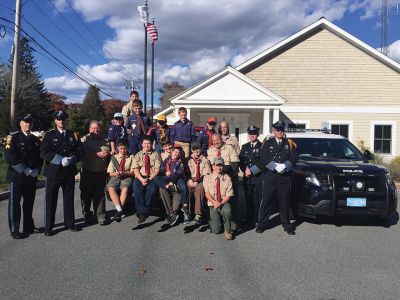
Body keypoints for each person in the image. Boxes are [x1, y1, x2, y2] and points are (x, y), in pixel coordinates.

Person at [247, 121, 297, 235]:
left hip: (284, 178)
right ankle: (262, 224)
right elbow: (263, 159)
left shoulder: (289, 143)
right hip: (270, 178)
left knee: (284, 203)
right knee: (266, 202)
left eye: (282, 130)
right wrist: (275, 166)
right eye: (278, 130)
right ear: (274, 131)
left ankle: (286, 224)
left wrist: (285, 165)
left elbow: (294, 157)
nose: (280, 132)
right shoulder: (267, 143)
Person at [40, 110, 85, 236]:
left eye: (63, 119)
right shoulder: (48, 135)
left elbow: (81, 152)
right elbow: (44, 152)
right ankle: (48, 227)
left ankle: (70, 223)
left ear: (66, 120)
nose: (61, 121)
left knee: (69, 199)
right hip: (53, 173)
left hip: (68, 172)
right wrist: (60, 160)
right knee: (50, 200)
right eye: (59, 119)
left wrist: (73, 159)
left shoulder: (74, 134)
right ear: (55, 121)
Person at [4, 113, 43, 239]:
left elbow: (39, 157)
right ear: (20, 123)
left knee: (29, 203)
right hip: (17, 176)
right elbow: (10, 156)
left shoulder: (35, 139)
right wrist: (24, 169)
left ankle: (28, 227)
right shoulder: (13, 137)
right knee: (15, 204)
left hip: (31, 176)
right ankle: (15, 230)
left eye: (30, 122)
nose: (28, 124)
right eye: (25, 122)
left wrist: (37, 169)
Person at [80, 121, 110, 226]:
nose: (95, 130)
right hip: (88, 172)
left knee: (100, 196)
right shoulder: (84, 140)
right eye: (93, 128)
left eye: (97, 128)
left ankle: (101, 216)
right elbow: (81, 155)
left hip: (101, 172)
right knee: (86, 195)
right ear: (89, 129)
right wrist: (97, 154)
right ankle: (87, 215)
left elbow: (110, 155)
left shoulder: (106, 140)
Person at [207, 133, 240, 229]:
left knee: (232, 201)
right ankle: (216, 220)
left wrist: (224, 174)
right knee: (215, 198)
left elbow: (235, 163)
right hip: (215, 178)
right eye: (214, 141)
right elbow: (209, 165)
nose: (216, 142)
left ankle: (233, 221)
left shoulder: (229, 148)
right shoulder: (210, 151)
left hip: (228, 177)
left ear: (221, 139)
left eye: (217, 140)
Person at [155, 144, 188, 225]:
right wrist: (165, 173)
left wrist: (172, 182)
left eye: (179, 152)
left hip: (177, 178)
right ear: (172, 152)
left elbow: (179, 173)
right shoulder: (167, 160)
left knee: (183, 187)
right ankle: (171, 213)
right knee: (157, 179)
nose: (177, 153)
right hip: (168, 177)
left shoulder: (180, 162)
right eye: (175, 151)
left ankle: (185, 206)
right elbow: (162, 170)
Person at [132, 135, 162, 224]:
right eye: (145, 143)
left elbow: (157, 169)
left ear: (151, 145)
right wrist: (141, 179)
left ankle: (145, 211)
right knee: (137, 188)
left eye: (148, 143)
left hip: (152, 177)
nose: (146, 145)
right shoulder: (138, 155)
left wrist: (149, 179)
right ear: (142, 144)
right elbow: (135, 169)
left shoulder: (156, 154)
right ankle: (142, 211)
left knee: (152, 190)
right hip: (141, 177)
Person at [203, 157, 234, 240]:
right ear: (213, 166)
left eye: (221, 165)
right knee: (216, 230)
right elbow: (207, 193)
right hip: (212, 203)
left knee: (227, 210)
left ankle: (228, 230)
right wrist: (214, 202)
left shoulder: (227, 178)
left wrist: (220, 203)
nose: (219, 167)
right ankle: (214, 221)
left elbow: (228, 195)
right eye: (217, 165)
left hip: (223, 202)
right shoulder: (207, 178)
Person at [106, 142, 135, 223]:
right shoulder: (114, 158)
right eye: (121, 148)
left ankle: (118, 212)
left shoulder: (131, 157)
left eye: (124, 148)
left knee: (125, 188)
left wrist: (124, 173)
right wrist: (115, 174)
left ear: (127, 148)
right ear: (118, 149)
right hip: (116, 176)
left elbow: (133, 172)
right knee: (110, 187)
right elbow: (110, 172)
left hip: (127, 176)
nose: (123, 150)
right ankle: (119, 210)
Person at [239, 125, 262, 225]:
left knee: (257, 199)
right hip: (247, 178)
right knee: (248, 198)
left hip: (258, 177)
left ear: (257, 135)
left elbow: (263, 162)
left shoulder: (262, 146)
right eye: (250, 134)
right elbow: (241, 161)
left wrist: (252, 171)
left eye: (254, 134)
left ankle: (257, 219)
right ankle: (248, 218)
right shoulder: (245, 146)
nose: (252, 135)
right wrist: (245, 170)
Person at [185, 141, 211, 225]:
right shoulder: (188, 160)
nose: (196, 151)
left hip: (201, 180)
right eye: (194, 149)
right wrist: (189, 180)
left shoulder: (205, 160)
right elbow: (186, 172)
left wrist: (197, 182)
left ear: (201, 149)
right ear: (191, 150)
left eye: (198, 149)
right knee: (187, 189)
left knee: (199, 189)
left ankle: (198, 214)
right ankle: (187, 213)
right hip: (190, 179)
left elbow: (206, 174)